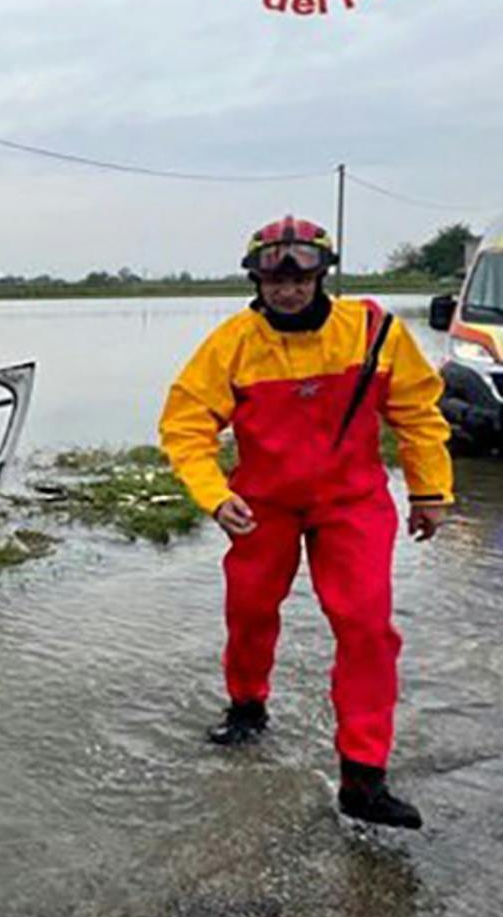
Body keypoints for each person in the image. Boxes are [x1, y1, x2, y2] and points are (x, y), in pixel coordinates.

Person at [159, 216, 453, 828]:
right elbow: (185, 426)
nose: (288, 291)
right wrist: (215, 495)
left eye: (300, 279)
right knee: (249, 610)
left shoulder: (373, 331)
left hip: (352, 503)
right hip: (261, 505)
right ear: (257, 281)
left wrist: (430, 490)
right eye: (275, 281)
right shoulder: (233, 344)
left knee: (367, 627)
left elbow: (418, 414)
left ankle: (363, 777)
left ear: (321, 276)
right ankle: (247, 706)